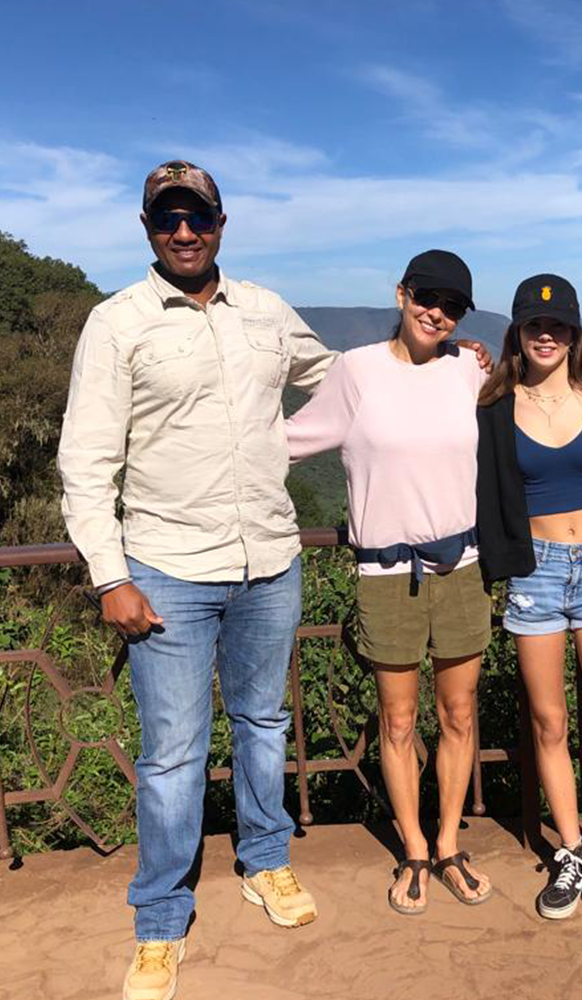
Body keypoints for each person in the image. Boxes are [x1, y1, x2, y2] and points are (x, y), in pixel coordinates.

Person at [57, 161, 332, 1000]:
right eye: (167, 218)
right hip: (167, 569)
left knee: (262, 724)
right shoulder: (118, 323)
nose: (184, 231)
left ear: (221, 222)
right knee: (173, 756)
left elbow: (338, 377)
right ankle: (160, 920)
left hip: (269, 561)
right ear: (147, 228)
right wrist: (110, 576)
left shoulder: (265, 310)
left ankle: (266, 861)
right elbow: (85, 459)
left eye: (197, 217)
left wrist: (446, 364)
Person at [285, 249, 494, 916]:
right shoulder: (356, 371)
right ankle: (413, 851)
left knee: (459, 715)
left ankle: (447, 844)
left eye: (452, 304)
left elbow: (530, 413)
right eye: (427, 296)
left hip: (462, 567)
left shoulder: (469, 370)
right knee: (399, 720)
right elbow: (286, 440)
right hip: (383, 573)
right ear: (401, 294)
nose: (437, 312)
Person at [477, 274, 582, 919]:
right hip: (533, 573)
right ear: (517, 330)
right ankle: (571, 849)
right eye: (534, 325)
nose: (547, 335)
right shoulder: (493, 406)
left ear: (576, 332)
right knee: (549, 725)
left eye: (559, 325)